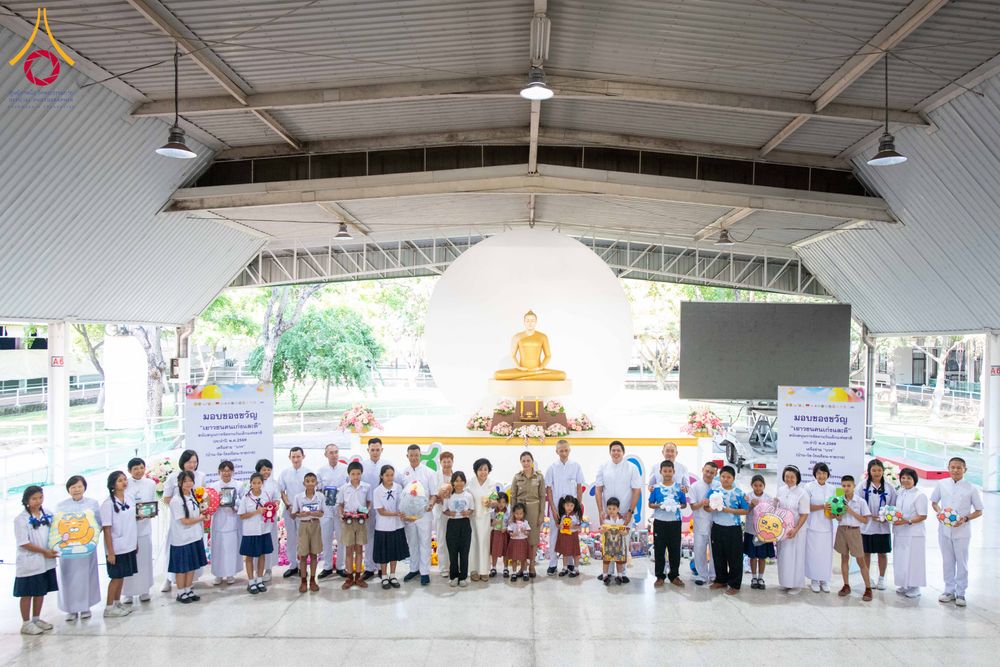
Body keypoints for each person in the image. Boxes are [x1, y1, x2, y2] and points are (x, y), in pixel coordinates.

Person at [930, 456, 984, 607]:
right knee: (947, 561)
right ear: (948, 468)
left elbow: (979, 510)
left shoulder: (971, 488)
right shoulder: (941, 484)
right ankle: (949, 590)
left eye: (959, 467)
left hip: (962, 531)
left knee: (962, 562)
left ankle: (961, 593)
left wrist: (965, 519)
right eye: (952, 467)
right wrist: (941, 513)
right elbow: (934, 502)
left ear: (964, 470)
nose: (955, 470)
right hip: (944, 529)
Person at [594, 441, 641, 582]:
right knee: (607, 542)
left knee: (623, 542)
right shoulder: (603, 467)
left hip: (625, 512)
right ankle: (607, 573)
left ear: (623, 452)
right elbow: (598, 489)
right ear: (610, 452)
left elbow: (636, 490)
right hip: (608, 514)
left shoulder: (631, 468)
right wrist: (601, 511)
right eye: (613, 450)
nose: (616, 453)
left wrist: (630, 511)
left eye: (618, 450)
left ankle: (623, 573)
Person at [14, 485, 58, 635]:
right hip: (29, 563)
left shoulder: (49, 515)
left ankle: (36, 618)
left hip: (46, 561)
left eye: (40, 497)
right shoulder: (21, 520)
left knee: (41, 591)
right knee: (27, 593)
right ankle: (26, 623)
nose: (38, 501)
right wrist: (44, 552)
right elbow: (23, 543)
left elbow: (56, 533)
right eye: (34, 499)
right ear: (26, 500)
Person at [56, 475, 101, 621]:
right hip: (68, 551)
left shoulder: (93, 504)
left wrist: (89, 539)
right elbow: (57, 527)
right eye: (73, 487)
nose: (77, 490)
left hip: (86, 548)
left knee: (86, 575)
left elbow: (99, 524)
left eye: (79, 486)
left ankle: (85, 606)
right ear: (68, 489)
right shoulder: (61, 505)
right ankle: (71, 609)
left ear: (84, 487)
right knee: (68, 577)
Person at [160, 449, 205, 593]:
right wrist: (180, 507)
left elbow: (202, 498)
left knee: (192, 555)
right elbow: (166, 498)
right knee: (177, 555)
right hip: (180, 522)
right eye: (189, 461)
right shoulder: (173, 478)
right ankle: (170, 581)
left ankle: (188, 586)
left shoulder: (201, 476)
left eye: (195, 462)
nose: (192, 464)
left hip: (195, 520)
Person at [397, 444, 439, 585]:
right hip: (409, 516)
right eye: (411, 455)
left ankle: (425, 572)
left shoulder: (429, 473)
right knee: (412, 543)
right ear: (407, 456)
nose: (414, 457)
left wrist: (431, 504)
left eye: (416, 455)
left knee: (424, 543)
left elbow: (433, 494)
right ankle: (414, 569)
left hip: (424, 515)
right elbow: (401, 495)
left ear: (420, 455)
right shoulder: (403, 474)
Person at [544, 440, 586, 575]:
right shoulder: (551, 468)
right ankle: (553, 563)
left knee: (571, 534)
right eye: (561, 450)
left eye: (566, 450)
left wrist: (578, 508)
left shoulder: (576, 466)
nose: (563, 453)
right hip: (557, 506)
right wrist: (554, 509)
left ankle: (570, 564)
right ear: (556, 451)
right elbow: (548, 489)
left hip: (572, 507)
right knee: (555, 534)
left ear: (569, 450)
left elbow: (579, 487)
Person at [705, 465, 749, 595]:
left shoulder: (739, 493)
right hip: (717, 527)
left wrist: (729, 510)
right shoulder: (714, 491)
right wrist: (711, 508)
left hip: (733, 529)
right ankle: (721, 580)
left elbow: (746, 510)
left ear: (733, 478)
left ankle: (735, 584)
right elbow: (706, 508)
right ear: (720, 477)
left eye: (728, 477)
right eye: (723, 476)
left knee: (734, 557)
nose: (725, 479)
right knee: (718, 555)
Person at [99, 471, 137, 618]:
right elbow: (107, 529)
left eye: (125, 479)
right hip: (116, 546)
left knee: (122, 576)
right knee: (115, 577)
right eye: (120, 480)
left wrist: (135, 542)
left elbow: (132, 521)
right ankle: (109, 607)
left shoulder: (129, 498)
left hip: (129, 543)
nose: (124, 482)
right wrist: (111, 552)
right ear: (113, 485)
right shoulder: (107, 504)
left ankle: (117, 602)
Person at [168, 471, 207, 603]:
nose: (188, 483)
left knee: (192, 566)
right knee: (181, 568)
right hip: (181, 539)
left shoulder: (193, 496)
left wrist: (203, 515)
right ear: (180, 483)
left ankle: (188, 589)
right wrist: (200, 518)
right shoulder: (176, 500)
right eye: (185, 481)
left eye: (191, 481)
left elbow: (197, 512)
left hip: (194, 536)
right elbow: (183, 521)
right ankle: (180, 592)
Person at [649, 460, 687, 588]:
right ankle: (660, 576)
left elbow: (684, 504)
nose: (667, 473)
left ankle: (674, 575)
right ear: (660, 472)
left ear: (674, 472)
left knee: (675, 550)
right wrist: (659, 506)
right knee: (659, 550)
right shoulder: (656, 488)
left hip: (675, 522)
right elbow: (650, 503)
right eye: (665, 471)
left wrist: (677, 506)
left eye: (670, 471)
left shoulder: (679, 488)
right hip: (660, 522)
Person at [834, 475, 873, 601]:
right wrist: (838, 514)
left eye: (848, 485)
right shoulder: (838, 500)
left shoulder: (860, 501)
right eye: (844, 486)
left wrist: (850, 511)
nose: (846, 488)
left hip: (854, 531)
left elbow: (865, 520)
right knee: (844, 559)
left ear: (854, 486)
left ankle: (868, 588)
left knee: (860, 561)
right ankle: (846, 585)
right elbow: (838, 518)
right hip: (842, 530)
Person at [509, 450, 546, 579]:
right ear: (521, 462)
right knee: (521, 539)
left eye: (528, 460)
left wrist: (541, 514)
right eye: (523, 461)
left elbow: (542, 496)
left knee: (533, 539)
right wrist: (512, 515)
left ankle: (532, 566)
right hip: (519, 510)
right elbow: (513, 497)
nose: (526, 463)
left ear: (532, 462)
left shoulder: (539, 477)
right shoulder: (517, 477)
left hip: (534, 509)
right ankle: (522, 567)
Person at [860, 458, 896, 590]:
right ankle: (867, 578)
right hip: (866, 526)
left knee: (882, 553)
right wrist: (869, 515)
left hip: (883, 527)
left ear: (883, 471)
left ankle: (881, 579)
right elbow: (858, 503)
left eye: (879, 470)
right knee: (866, 553)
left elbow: (893, 506)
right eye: (874, 470)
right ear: (869, 471)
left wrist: (886, 516)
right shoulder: (862, 486)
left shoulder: (889, 487)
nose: (876, 473)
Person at [123, 457, 155, 604]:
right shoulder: (125, 484)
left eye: (141, 467)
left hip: (145, 527)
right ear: (129, 471)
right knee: (129, 560)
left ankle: (144, 590)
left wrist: (151, 512)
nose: (139, 471)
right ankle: (128, 593)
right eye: (135, 468)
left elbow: (153, 503)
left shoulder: (150, 483)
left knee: (144, 559)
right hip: (128, 528)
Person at [361, 438, 394, 578]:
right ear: (368, 450)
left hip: (384, 510)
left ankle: (382, 568)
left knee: (383, 539)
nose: (375, 452)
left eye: (377, 449)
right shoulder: (362, 466)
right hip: (367, 508)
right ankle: (369, 568)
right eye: (372, 450)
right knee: (368, 538)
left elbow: (395, 484)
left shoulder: (388, 465)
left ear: (382, 449)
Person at [893, 467, 928, 598]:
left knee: (914, 560)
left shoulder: (919, 495)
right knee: (901, 559)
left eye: (909, 478)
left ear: (915, 480)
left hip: (914, 534)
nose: (905, 480)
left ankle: (915, 586)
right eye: (903, 477)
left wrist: (906, 521)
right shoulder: (901, 492)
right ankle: (904, 584)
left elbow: (922, 515)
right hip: (900, 532)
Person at [775, 465, 810, 593]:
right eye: (787, 476)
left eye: (792, 477)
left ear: (797, 478)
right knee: (784, 556)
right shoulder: (781, 490)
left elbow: (804, 514)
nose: (789, 479)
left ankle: (796, 585)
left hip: (796, 531)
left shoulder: (802, 493)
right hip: (782, 530)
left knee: (796, 557)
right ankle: (785, 582)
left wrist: (795, 529)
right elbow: (777, 507)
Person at [373, 464, 408, 590]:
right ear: (381, 476)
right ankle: (384, 576)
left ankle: (393, 575)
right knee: (384, 553)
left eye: (391, 475)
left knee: (394, 552)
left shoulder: (398, 488)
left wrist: (405, 512)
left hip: (397, 526)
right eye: (387, 475)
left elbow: (403, 503)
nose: (389, 477)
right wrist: (396, 513)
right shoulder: (377, 491)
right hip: (383, 527)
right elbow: (381, 511)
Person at [316, 443, 349, 580]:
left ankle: (341, 566)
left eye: (336, 452)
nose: (334, 455)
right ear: (326, 455)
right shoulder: (321, 470)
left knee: (341, 538)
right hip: (326, 509)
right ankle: (328, 566)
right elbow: (317, 490)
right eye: (331, 453)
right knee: (326, 538)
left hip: (341, 508)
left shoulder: (346, 469)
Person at [338, 461, 371, 590]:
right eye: (353, 474)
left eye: (358, 474)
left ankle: (358, 576)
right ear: (349, 474)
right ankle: (349, 577)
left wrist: (367, 511)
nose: (356, 476)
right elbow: (340, 504)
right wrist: (341, 514)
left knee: (359, 550)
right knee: (349, 550)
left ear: (361, 474)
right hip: (348, 521)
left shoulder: (366, 487)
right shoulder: (343, 488)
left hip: (361, 520)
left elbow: (368, 502)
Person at [279, 447, 312, 580]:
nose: (296, 459)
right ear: (289, 457)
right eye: (293, 457)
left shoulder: (308, 472)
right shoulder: (285, 473)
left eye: (298, 456)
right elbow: (282, 491)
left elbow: (311, 491)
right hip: (289, 511)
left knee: (303, 540)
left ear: (303, 456)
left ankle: (302, 567)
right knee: (291, 539)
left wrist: (301, 509)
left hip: (304, 512)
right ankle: (293, 565)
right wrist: (289, 506)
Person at [238, 472, 274, 595]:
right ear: (251, 484)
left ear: (262, 484)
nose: (257, 485)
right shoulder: (246, 498)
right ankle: (251, 581)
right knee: (250, 556)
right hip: (250, 531)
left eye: (259, 483)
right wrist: (256, 512)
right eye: (254, 483)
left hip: (264, 530)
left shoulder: (266, 496)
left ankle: (259, 579)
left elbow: (270, 510)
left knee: (262, 555)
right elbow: (242, 515)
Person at [686, 461, 720, 585]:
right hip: (700, 522)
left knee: (715, 550)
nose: (709, 474)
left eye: (712, 472)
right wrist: (702, 503)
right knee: (700, 549)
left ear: (716, 473)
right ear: (702, 470)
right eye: (707, 471)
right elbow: (693, 507)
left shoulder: (718, 485)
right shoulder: (695, 486)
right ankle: (701, 575)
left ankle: (714, 575)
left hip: (716, 522)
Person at [804, 462, 835, 593]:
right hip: (812, 526)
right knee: (813, 554)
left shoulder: (833, 488)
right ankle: (814, 580)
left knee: (825, 554)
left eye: (824, 473)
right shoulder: (808, 487)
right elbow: (805, 506)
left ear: (828, 474)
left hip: (827, 526)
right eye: (819, 473)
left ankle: (824, 579)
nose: (821, 475)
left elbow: (835, 506)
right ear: (815, 474)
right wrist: (822, 506)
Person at [209, 460, 241, 586]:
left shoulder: (239, 485)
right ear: (219, 472)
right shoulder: (213, 486)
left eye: (229, 470)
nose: (226, 473)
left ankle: (230, 573)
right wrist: (215, 503)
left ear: (233, 472)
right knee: (218, 548)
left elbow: (242, 502)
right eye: (223, 470)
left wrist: (235, 506)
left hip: (232, 521)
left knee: (231, 549)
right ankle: (218, 574)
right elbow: (208, 504)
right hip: (218, 520)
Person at [292, 471, 323, 593]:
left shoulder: (320, 496)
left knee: (314, 554)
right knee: (303, 555)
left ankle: (313, 580)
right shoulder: (298, 497)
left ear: (316, 483)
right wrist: (301, 514)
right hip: (303, 526)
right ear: (303, 483)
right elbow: (294, 514)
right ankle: (303, 580)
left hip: (315, 525)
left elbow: (322, 513)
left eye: (312, 481)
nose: (310, 483)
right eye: (307, 481)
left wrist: (313, 513)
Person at [467, 457, 497, 582]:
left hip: (485, 518)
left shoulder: (491, 484)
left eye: (485, 469)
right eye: (480, 469)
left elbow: (495, 502)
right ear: (476, 470)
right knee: (473, 543)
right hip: (472, 518)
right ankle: (473, 570)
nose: (483, 472)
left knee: (484, 543)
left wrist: (491, 503)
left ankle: (484, 571)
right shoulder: (470, 483)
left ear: (489, 470)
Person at [743, 474, 775, 590]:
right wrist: (751, 505)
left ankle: (761, 578)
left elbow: (772, 514)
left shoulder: (768, 498)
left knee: (762, 556)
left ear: (764, 486)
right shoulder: (747, 496)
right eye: (755, 485)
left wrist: (774, 505)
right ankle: (753, 577)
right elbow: (744, 511)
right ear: (752, 485)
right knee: (753, 556)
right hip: (751, 530)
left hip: (763, 532)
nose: (757, 487)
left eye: (760, 485)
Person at [444, 471, 475, 587]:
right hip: (452, 524)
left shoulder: (468, 495)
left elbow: (472, 509)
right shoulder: (448, 495)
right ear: (452, 482)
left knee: (464, 552)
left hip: (465, 524)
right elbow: (444, 510)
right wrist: (448, 513)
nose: (459, 483)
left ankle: (463, 577)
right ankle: (454, 576)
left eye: (461, 480)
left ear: (464, 482)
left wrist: (468, 512)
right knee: (452, 552)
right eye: (456, 480)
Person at [254, 459, 281, 581]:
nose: (266, 472)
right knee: (257, 543)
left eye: (269, 469)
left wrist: (276, 505)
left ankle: (268, 569)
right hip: (256, 518)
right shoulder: (253, 482)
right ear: (259, 470)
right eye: (264, 469)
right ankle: (257, 569)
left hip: (270, 519)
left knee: (269, 543)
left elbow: (277, 499)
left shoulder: (274, 483)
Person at [434, 450, 455, 578]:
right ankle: (443, 568)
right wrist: (438, 497)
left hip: (454, 513)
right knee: (442, 540)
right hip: (441, 512)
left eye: (449, 461)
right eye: (444, 461)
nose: (447, 464)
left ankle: (454, 566)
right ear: (440, 462)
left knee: (453, 540)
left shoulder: (457, 476)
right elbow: (433, 493)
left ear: (453, 462)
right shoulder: (435, 476)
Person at [600, 497, 629, 585]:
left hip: (619, 545)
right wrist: (603, 531)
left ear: (618, 509)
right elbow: (601, 530)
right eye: (609, 508)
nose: (611, 511)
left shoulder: (622, 519)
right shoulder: (605, 520)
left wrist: (623, 532)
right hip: (608, 544)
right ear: (606, 508)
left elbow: (626, 531)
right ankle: (605, 576)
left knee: (619, 560)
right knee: (606, 560)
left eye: (614, 509)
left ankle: (619, 576)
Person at [555, 495, 583, 577]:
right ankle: (564, 568)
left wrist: (573, 527)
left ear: (574, 506)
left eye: (572, 505)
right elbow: (560, 525)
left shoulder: (575, 516)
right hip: (564, 536)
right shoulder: (563, 516)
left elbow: (579, 527)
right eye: (567, 505)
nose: (570, 507)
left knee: (575, 553)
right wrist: (560, 526)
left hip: (573, 536)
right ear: (564, 505)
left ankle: (576, 569)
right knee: (565, 553)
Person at [505, 502, 531, 582]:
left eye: (520, 513)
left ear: (524, 513)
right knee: (514, 559)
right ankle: (514, 572)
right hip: (514, 542)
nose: (519, 515)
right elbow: (509, 533)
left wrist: (524, 531)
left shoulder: (525, 522)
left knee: (524, 558)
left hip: (523, 542)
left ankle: (525, 572)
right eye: (516, 513)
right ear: (513, 513)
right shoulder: (512, 523)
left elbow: (528, 532)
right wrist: (513, 534)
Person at [490, 491, 510, 578]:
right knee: (494, 551)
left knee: (505, 551)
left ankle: (506, 568)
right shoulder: (493, 512)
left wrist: (506, 528)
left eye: (503, 502)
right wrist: (494, 521)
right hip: (495, 534)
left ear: (506, 503)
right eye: (499, 502)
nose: (501, 504)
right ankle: (493, 567)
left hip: (504, 534)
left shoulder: (508, 513)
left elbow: (510, 524)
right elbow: (491, 523)